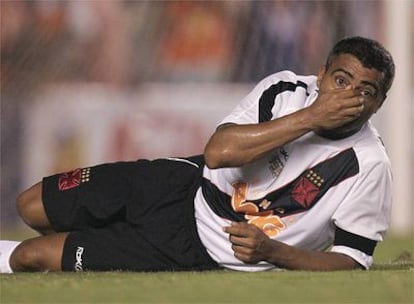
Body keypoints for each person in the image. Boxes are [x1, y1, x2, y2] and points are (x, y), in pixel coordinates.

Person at [0, 36, 395, 273]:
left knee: (30, 258)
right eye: (341, 81)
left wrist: (272, 252)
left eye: (365, 91)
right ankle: (91, 239)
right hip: (181, 184)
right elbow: (218, 153)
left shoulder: (369, 164)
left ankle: (89, 246)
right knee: (30, 205)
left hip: (197, 249)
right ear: (321, 74)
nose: (349, 97)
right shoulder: (287, 91)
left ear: (378, 104)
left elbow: (351, 259)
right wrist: (312, 116)